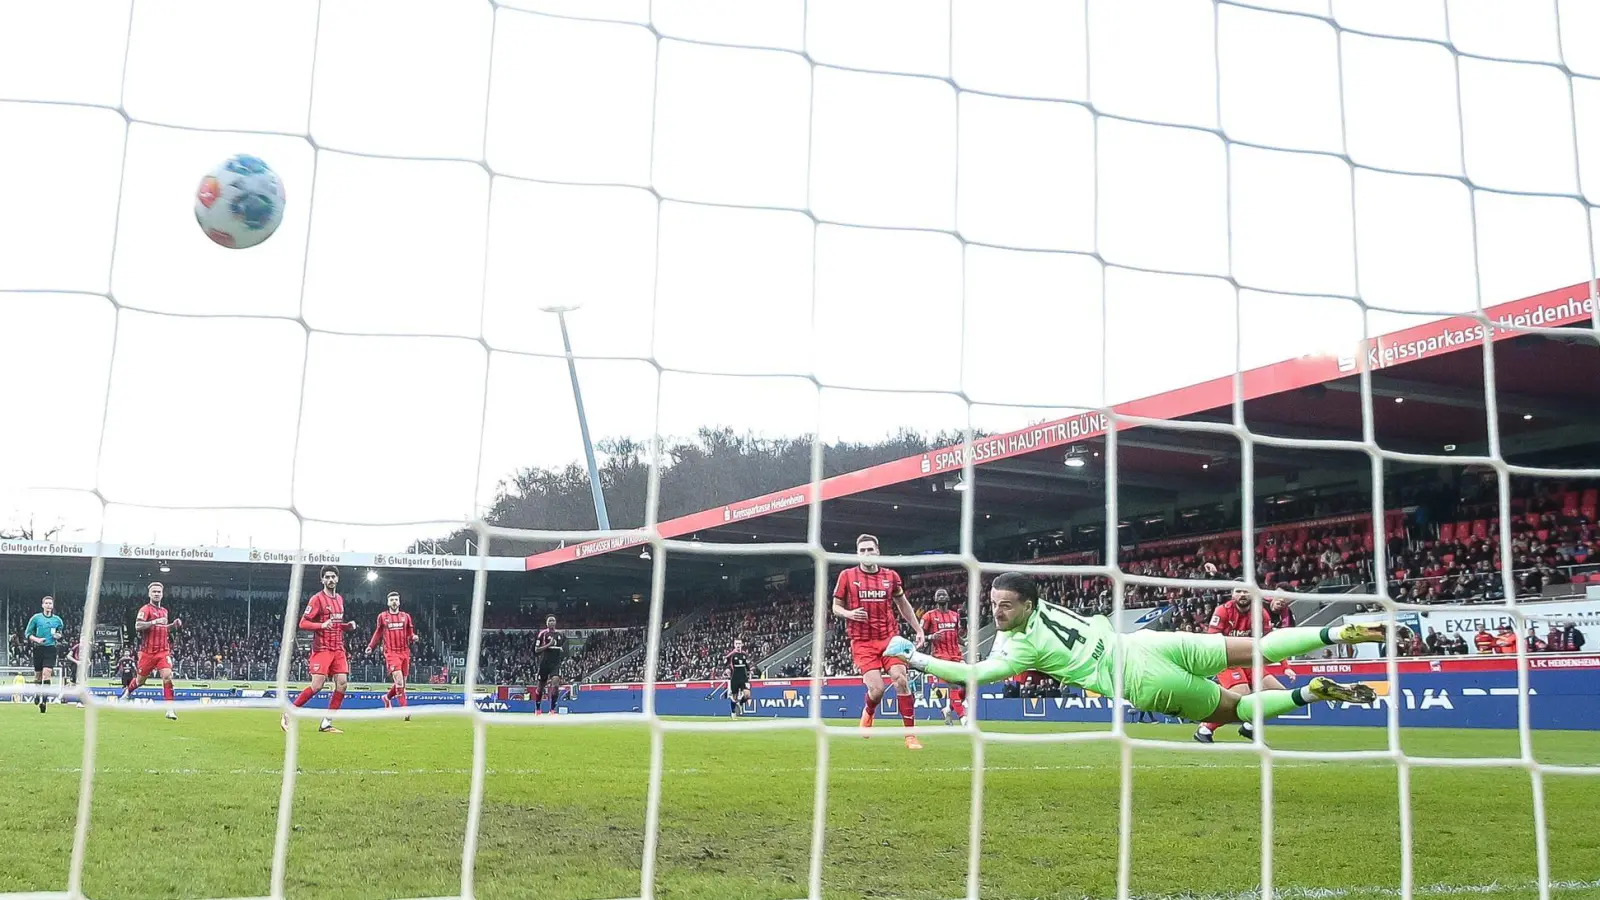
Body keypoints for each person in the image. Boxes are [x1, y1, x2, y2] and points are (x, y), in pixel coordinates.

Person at [890, 573, 1391, 729]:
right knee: (1259, 648)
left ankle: (1311, 694)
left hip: (1139, 677)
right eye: (993, 605)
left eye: (1004, 606)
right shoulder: (1048, 608)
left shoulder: (1021, 651)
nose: (996, 612)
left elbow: (974, 676)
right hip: (1147, 642)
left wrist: (912, 656)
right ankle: (1331, 636)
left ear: (1025, 605)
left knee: (1237, 710)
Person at [832, 534, 926, 750]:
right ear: (857, 553)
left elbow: (903, 604)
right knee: (877, 690)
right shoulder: (847, 576)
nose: (866, 554)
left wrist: (918, 629)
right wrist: (849, 613)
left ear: (878, 551)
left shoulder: (891, 576)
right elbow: (835, 607)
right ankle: (869, 711)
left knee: (901, 679)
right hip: (863, 642)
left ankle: (910, 736)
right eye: (862, 550)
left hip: (889, 638)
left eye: (870, 550)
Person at [1194, 578, 1296, 744]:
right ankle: (1205, 728)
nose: (1242, 594)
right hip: (1226, 660)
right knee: (1242, 695)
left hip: (1250, 661)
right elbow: (1212, 641)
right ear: (1233, 594)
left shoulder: (1260, 613)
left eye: (1246, 591)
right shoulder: (1223, 610)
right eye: (1238, 591)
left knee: (1279, 694)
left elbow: (1271, 643)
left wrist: (1286, 667)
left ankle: (1249, 727)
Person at [282, 566, 356, 733]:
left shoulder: (340, 600)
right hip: (322, 649)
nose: (330, 580)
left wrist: (346, 626)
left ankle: (326, 723)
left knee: (342, 684)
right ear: (322, 580)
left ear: (337, 579)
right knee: (317, 685)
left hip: (338, 648)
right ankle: (289, 712)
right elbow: (303, 623)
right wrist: (321, 625)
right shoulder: (317, 599)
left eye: (333, 577)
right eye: (327, 577)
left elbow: (335, 625)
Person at [121, 581, 182, 721]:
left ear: (162, 594)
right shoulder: (145, 609)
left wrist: (173, 625)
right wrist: (154, 622)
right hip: (147, 652)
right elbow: (137, 626)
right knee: (140, 681)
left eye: (159, 592)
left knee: (167, 676)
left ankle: (170, 709)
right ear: (149, 594)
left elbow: (164, 628)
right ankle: (127, 692)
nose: (156, 594)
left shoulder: (164, 611)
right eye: (154, 591)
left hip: (163, 651)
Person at [366, 591, 417, 721]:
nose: (394, 602)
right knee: (399, 681)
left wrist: (413, 637)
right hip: (391, 653)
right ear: (388, 602)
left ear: (399, 602)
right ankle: (405, 711)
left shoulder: (406, 617)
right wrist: (371, 646)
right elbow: (378, 633)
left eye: (396, 599)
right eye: (392, 600)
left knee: (402, 683)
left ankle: (387, 697)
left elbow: (410, 634)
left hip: (404, 652)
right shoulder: (382, 617)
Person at [918, 588, 966, 725]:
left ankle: (948, 710)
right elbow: (919, 635)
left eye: (944, 594)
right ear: (935, 599)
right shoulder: (929, 616)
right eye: (938, 594)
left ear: (948, 597)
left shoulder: (955, 615)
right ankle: (963, 718)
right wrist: (930, 636)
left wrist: (966, 641)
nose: (941, 595)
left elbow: (956, 636)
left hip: (956, 655)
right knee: (954, 686)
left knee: (968, 685)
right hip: (940, 657)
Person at [23, 596, 64, 713]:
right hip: (38, 648)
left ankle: (44, 701)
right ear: (42, 605)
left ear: (52, 606)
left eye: (50, 603)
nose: (48, 605)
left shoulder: (58, 620)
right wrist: (37, 639)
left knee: (47, 674)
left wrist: (58, 636)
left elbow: (60, 633)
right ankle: (36, 693)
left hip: (50, 649)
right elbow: (27, 633)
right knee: (38, 676)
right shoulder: (36, 618)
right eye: (46, 603)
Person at [533, 616, 564, 716]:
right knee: (540, 687)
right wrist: (548, 645)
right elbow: (536, 650)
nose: (552, 622)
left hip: (555, 663)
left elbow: (562, 647)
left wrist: (561, 650)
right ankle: (538, 709)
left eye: (553, 620)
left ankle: (552, 710)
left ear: (556, 622)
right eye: (549, 620)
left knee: (555, 685)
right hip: (545, 663)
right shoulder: (542, 634)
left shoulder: (560, 634)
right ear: (546, 623)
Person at [725, 638, 752, 718]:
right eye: (736, 644)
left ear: (742, 645)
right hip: (735, 677)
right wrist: (727, 669)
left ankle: (740, 703)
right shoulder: (731, 655)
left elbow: (747, 664)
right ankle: (733, 712)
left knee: (747, 695)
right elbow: (727, 664)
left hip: (743, 677)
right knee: (734, 697)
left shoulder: (744, 654)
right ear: (734, 645)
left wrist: (750, 671)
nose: (738, 645)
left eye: (739, 644)